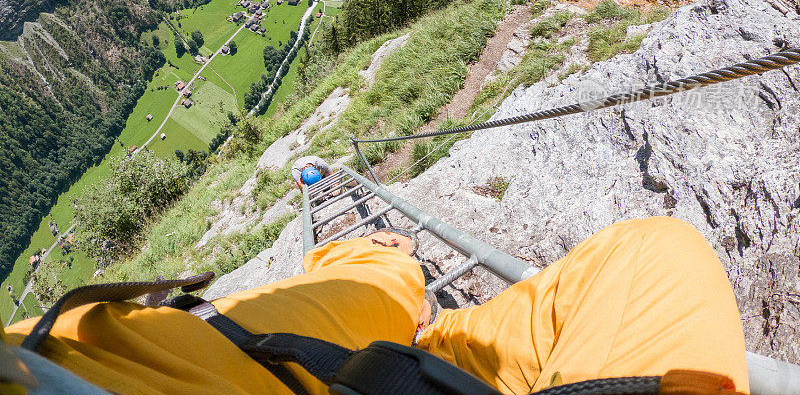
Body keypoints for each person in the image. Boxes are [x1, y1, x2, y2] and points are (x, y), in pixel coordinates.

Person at [1, 218, 748, 395]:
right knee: (657, 249)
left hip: (173, 356)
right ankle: (390, 268)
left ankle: (398, 288)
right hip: (199, 361)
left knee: (380, 290)